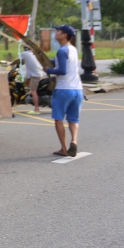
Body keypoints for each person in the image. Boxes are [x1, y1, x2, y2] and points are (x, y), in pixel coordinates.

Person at [46, 24, 83, 157]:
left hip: (63, 89)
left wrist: (48, 70)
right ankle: (74, 141)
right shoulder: (72, 49)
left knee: (58, 119)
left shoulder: (62, 51)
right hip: (77, 90)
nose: (56, 33)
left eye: (58, 31)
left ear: (64, 35)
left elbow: (62, 70)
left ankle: (64, 148)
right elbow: (63, 63)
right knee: (73, 119)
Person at [21, 46, 45, 113]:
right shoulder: (33, 55)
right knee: (26, 81)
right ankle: (31, 92)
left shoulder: (25, 54)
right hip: (39, 74)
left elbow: (18, 60)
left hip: (35, 76)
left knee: (34, 91)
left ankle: (36, 109)